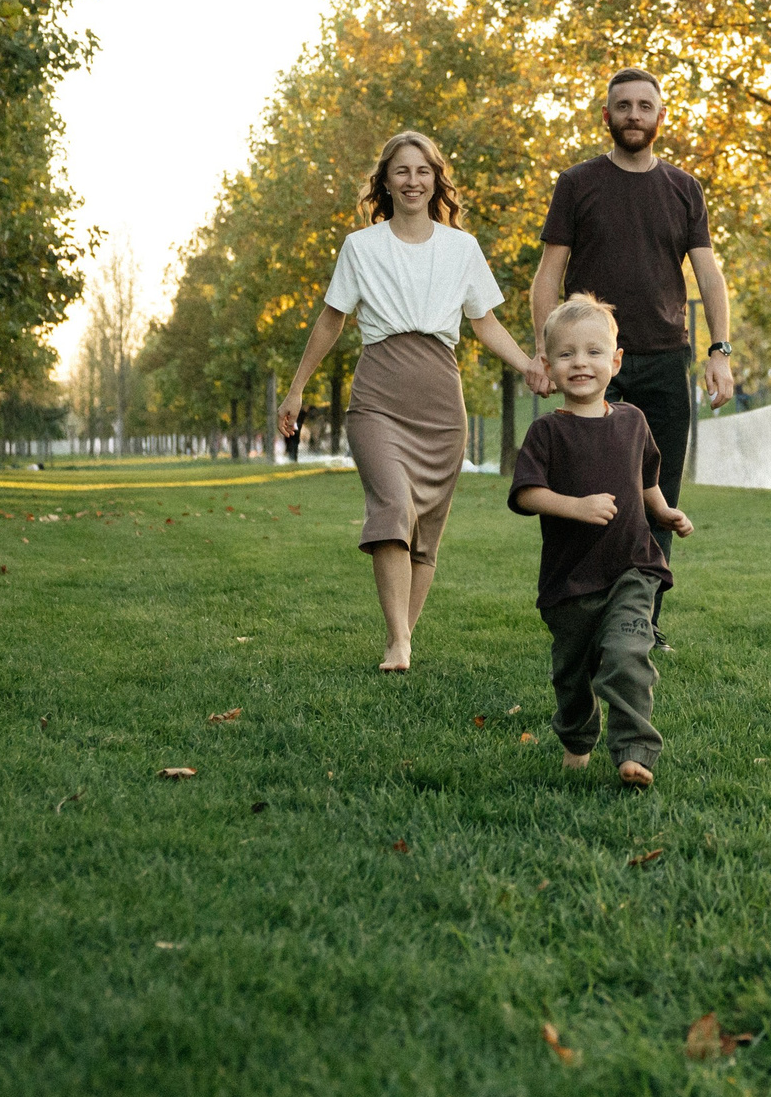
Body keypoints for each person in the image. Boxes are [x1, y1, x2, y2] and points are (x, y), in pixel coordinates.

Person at [279, 130, 543, 674]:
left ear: (435, 179)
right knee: (394, 507)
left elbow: (484, 321)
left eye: (422, 171)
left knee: (425, 529)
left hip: (441, 403)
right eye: (401, 171)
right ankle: (398, 640)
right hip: (378, 394)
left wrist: (528, 365)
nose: (413, 180)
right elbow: (333, 318)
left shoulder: (461, 248)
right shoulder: (361, 246)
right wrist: (297, 386)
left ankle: (401, 639)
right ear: (386, 182)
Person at [531, 68, 733, 646]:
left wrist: (719, 349)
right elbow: (549, 276)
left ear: (660, 116)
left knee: (658, 495)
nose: (634, 114)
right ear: (607, 117)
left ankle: (643, 621)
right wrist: (546, 353)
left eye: (645, 105)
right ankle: (585, 609)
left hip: (667, 360)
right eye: (623, 105)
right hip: (594, 365)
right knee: (593, 489)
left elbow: (708, 273)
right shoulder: (577, 183)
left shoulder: (684, 188)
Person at [508, 292, 692, 788]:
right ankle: (576, 738)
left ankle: (635, 751)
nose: (580, 363)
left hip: (632, 566)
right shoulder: (547, 432)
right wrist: (576, 506)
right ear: (548, 365)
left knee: (627, 651)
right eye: (566, 354)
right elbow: (525, 494)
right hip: (571, 580)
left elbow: (647, 476)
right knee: (572, 678)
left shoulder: (632, 421)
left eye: (593, 352)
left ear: (615, 361)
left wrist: (663, 510)